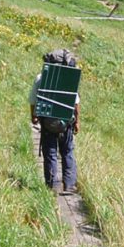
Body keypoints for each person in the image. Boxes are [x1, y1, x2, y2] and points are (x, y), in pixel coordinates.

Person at [29, 58, 80, 194]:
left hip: (47, 123)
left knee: (50, 153)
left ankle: (52, 185)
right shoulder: (69, 78)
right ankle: (69, 185)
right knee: (67, 152)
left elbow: (33, 100)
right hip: (66, 123)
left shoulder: (41, 78)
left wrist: (33, 116)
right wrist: (77, 122)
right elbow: (75, 104)